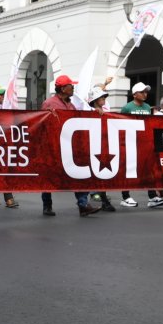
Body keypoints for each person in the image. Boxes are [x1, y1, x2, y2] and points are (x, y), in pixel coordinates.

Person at [41, 75, 100, 217]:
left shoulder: (72, 104)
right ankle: (47, 205)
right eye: (71, 86)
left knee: (79, 174)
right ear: (63, 88)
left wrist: (96, 113)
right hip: (53, 146)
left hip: (70, 146)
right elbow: (43, 123)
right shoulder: (49, 103)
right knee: (49, 177)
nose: (73, 88)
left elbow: (80, 119)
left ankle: (83, 204)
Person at [118, 82, 163, 208]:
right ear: (134, 94)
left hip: (145, 143)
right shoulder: (127, 108)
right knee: (128, 170)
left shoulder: (147, 107)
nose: (145, 94)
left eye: (146, 92)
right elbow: (120, 124)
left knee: (149, 169)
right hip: (130, 143)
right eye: (142, 92)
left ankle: (152, 197)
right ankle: (125, 197)